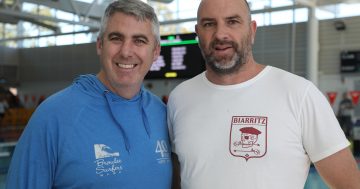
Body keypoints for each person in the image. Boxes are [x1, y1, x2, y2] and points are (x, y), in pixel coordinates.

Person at [167, 0, 360, 188]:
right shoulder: (179, 98)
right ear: (198, 32)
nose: (220, 33)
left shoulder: (299, 94)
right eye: (209, 24)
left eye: (232, 22)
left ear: (252, 30)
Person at [6, 0, 172, 188]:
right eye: (116, 38)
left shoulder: (162, 113)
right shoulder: (53, 117)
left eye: (139, 40)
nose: (126, 52)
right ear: (100, 45)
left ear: (156, 51)